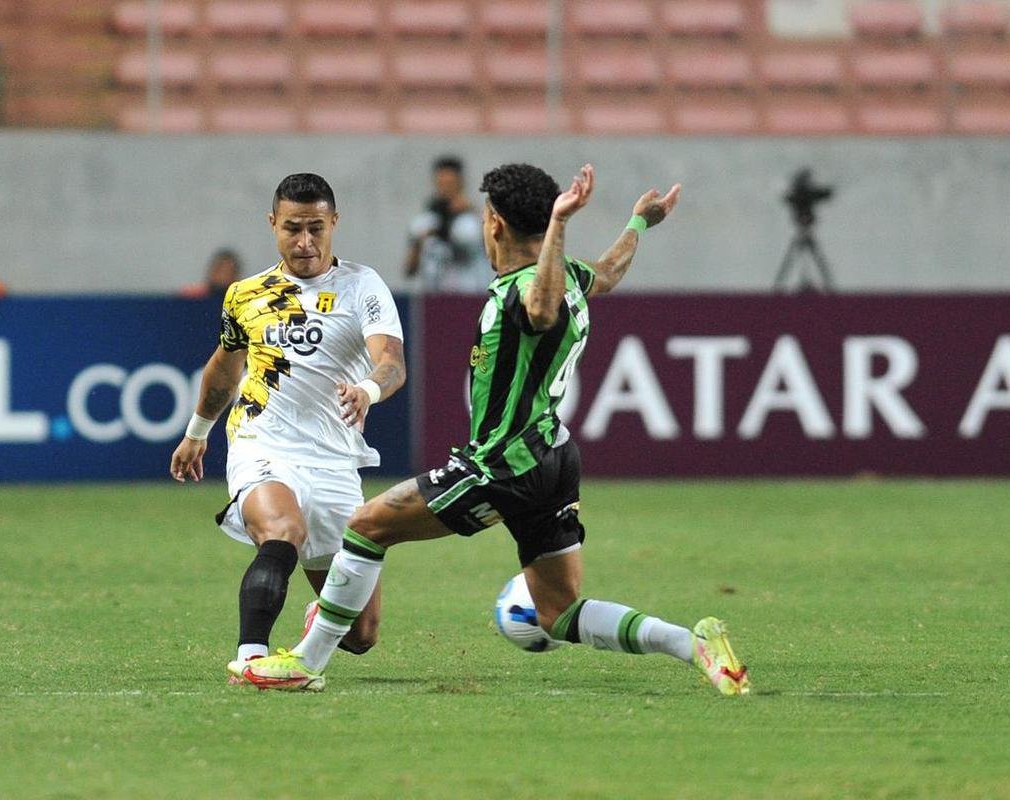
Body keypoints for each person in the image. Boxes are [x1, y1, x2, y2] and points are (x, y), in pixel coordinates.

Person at [236, 163, 751, 696]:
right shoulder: (568, 276)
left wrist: (560, 223)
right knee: (556, 612)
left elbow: (541, 312)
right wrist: (638, 223)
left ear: (495, 223)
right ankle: (692, 643)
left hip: (502, 462)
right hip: (553, 456)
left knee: (367, 526)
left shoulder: (526, 288)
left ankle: (305, 662)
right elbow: (609, 271)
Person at [169, 173, 406, 681]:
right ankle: (251, 656)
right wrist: (197, 432)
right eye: (292, 228)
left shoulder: (362, 285)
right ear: (273, 224)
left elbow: (391, 362)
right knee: (282, 532)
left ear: (334, 223)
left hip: (335, 459)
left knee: (361, 635)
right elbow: (224, 368)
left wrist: (367, 390)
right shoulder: (245, 294)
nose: (304, 242)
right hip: (263, 442)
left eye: (316, 228)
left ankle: (320, 616)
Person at [403, 156, 491, 294]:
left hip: (470, 296)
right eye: (441, 184)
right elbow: (409, 270)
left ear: (460, 183)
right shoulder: (425, 222)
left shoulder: (472, 222)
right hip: (435, 297)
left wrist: (472, 210)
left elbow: (493, 252)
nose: (445, 190)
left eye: (450, 184)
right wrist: (420, 241)